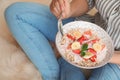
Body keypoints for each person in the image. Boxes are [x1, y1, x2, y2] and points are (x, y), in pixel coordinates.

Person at [4, 0, 120, 80]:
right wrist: (69, 10)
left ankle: (66, 64)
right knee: (16, 14)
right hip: (88, 30)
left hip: (116, 62)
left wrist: (103, 54)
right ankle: (53, 73)